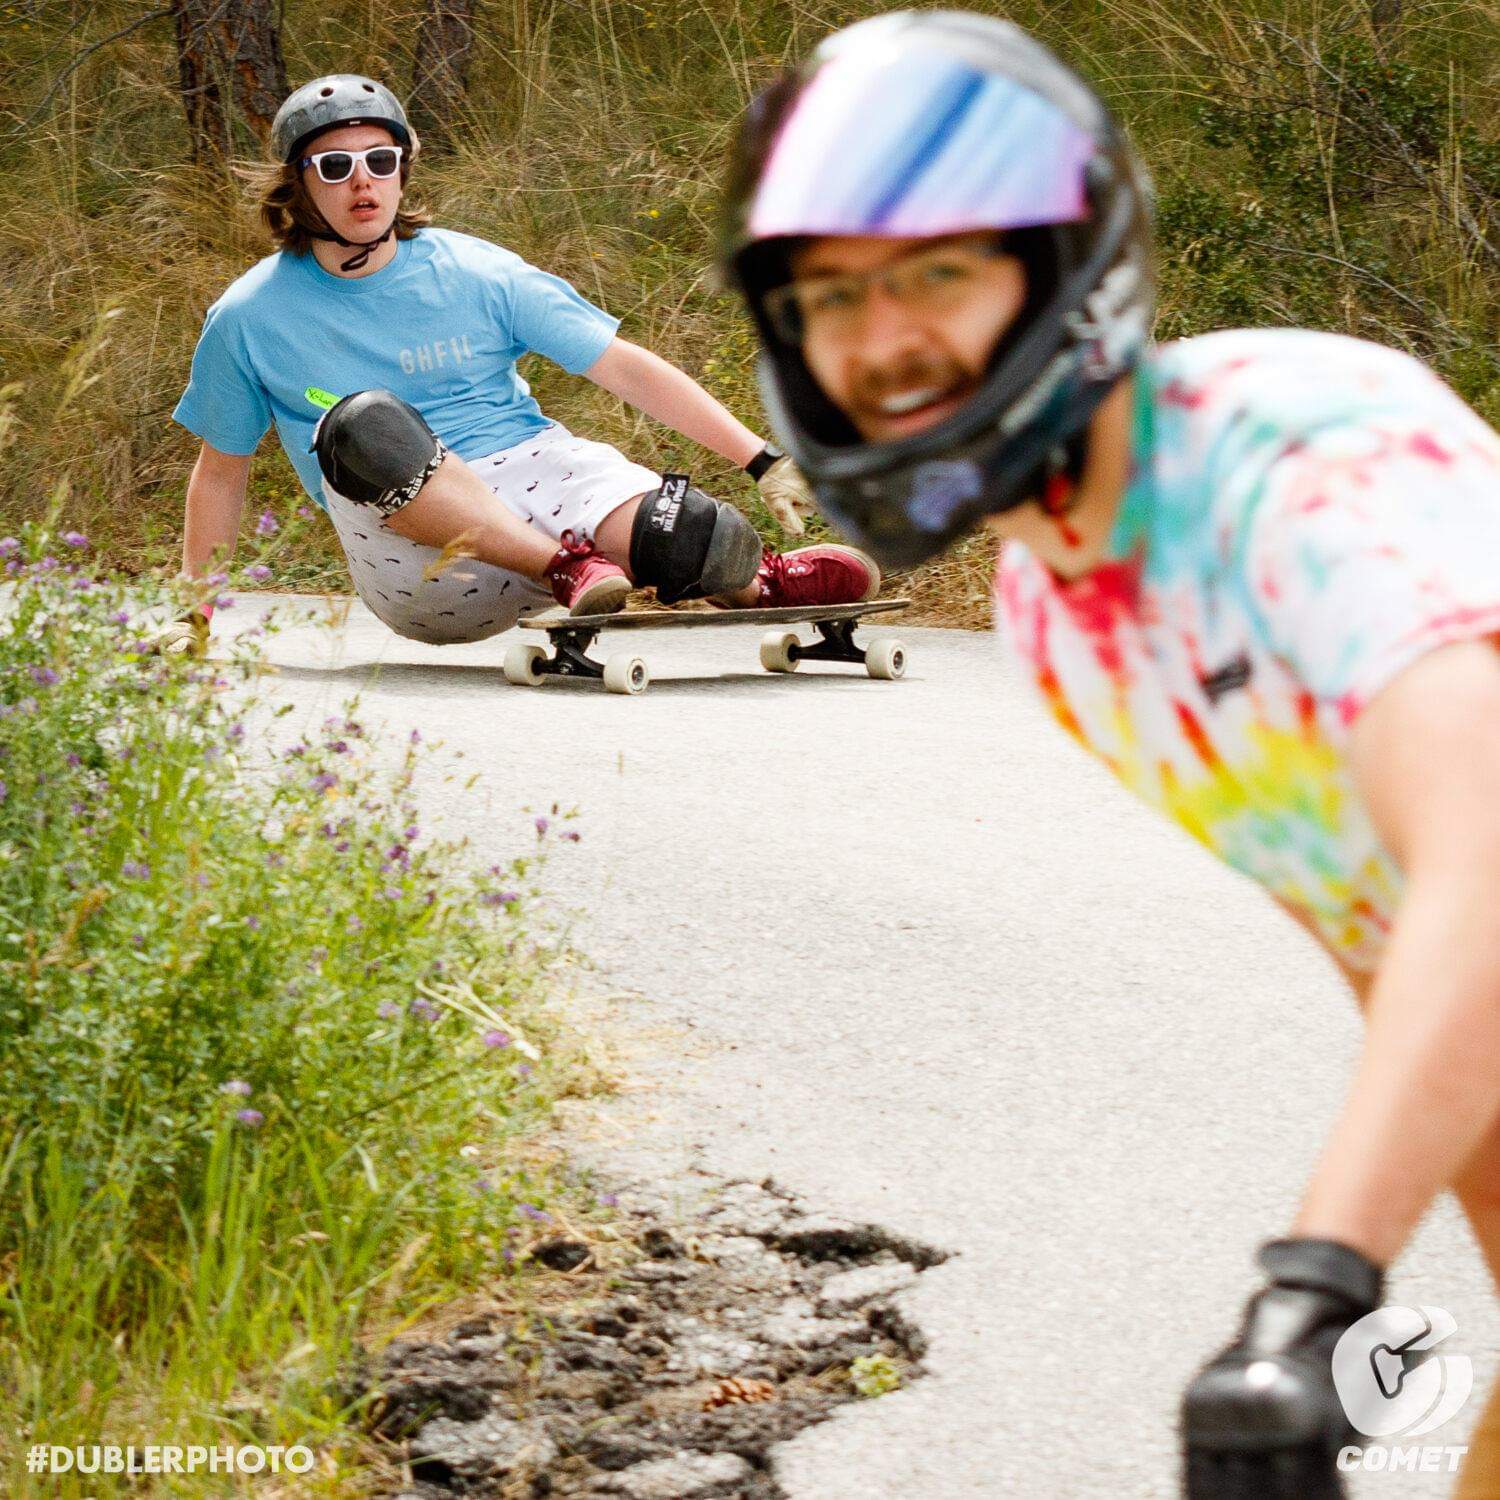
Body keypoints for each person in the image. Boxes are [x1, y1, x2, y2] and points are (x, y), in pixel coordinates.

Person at [718, 11, 1500, 1497]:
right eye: (832, 295)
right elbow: (1385, 931)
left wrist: (1316, 1284)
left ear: (1067, 269)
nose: (885, 343)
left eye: (940, 273)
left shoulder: (1301, 462)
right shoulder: (1065, 616)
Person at [160, 73, 879, 658]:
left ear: (403, 171)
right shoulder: (251, 316)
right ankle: (563, 567)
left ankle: (753, 582)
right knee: (362, 420)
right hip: (418, 556)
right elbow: (221, 472)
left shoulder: (477, 271)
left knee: (684, 530)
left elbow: (622, 368)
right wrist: (193, 622)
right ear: (300, 183)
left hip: (536, 477)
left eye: (380, 161)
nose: (362, 184)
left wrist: (761, 459)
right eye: (335, 166)